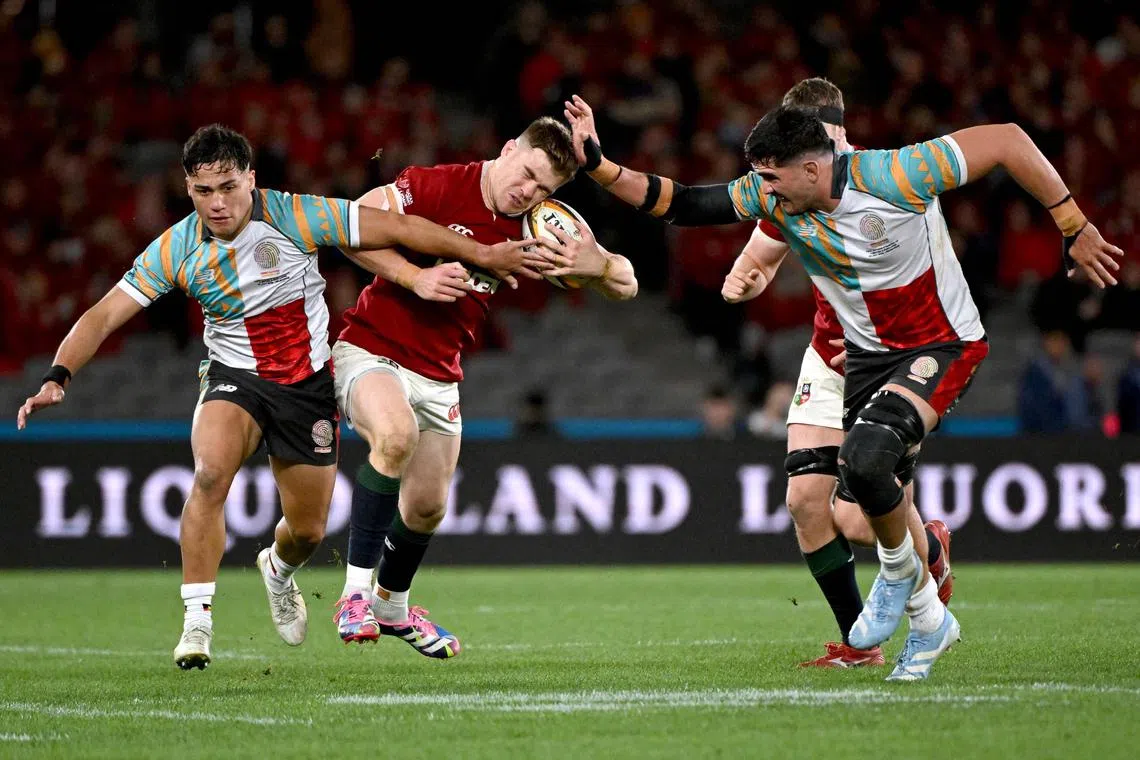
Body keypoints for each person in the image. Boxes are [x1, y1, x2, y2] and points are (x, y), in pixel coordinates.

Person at [567, 95, 1122, 680]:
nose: (765, 194)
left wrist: (1073, 224)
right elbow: (682, 202)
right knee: (843, 498)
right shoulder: (775, 193)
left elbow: (1008, 137)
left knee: (864, 459)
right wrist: (601, 166)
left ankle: (900, 575)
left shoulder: (898, 173)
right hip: (860, 359)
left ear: (813, 167)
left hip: (940, 346)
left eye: (773, 180)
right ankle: (925, 613)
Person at [16, 124, 548, 670]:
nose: (217, 204)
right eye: (203, 192)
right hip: (233, 376)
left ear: (251, 178)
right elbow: (104, 313)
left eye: (227, 187)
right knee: (210, 471)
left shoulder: (297, 215)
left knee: (308, 531)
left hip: (305, 386)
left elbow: (403, 226)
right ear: (188, 189)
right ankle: (196, 623)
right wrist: (59, 375)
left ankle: (277, 568)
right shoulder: (176, 248)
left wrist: (482, 253)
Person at [330, 117, 637, 656]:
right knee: (395, 437)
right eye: (527, 175)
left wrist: (601, 263)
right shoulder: (436, 185)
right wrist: (414, 276)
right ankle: (354, 595)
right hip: (372, 345)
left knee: (427, 507)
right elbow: (348, 228)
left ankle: (392, 607)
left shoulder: (537, 226)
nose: (528, 192)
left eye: (544, 188)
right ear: (507, 149)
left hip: (439, 372)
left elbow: (626, 286)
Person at [721, 79, 953, 669]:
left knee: (853, 515)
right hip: (826, 356)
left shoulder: (882, 183)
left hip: (884, 358)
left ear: (836, 133)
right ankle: (860, 642)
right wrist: (745, 277)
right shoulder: (792, 187)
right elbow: (763, 251)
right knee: (804, 501)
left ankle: (928, 560)